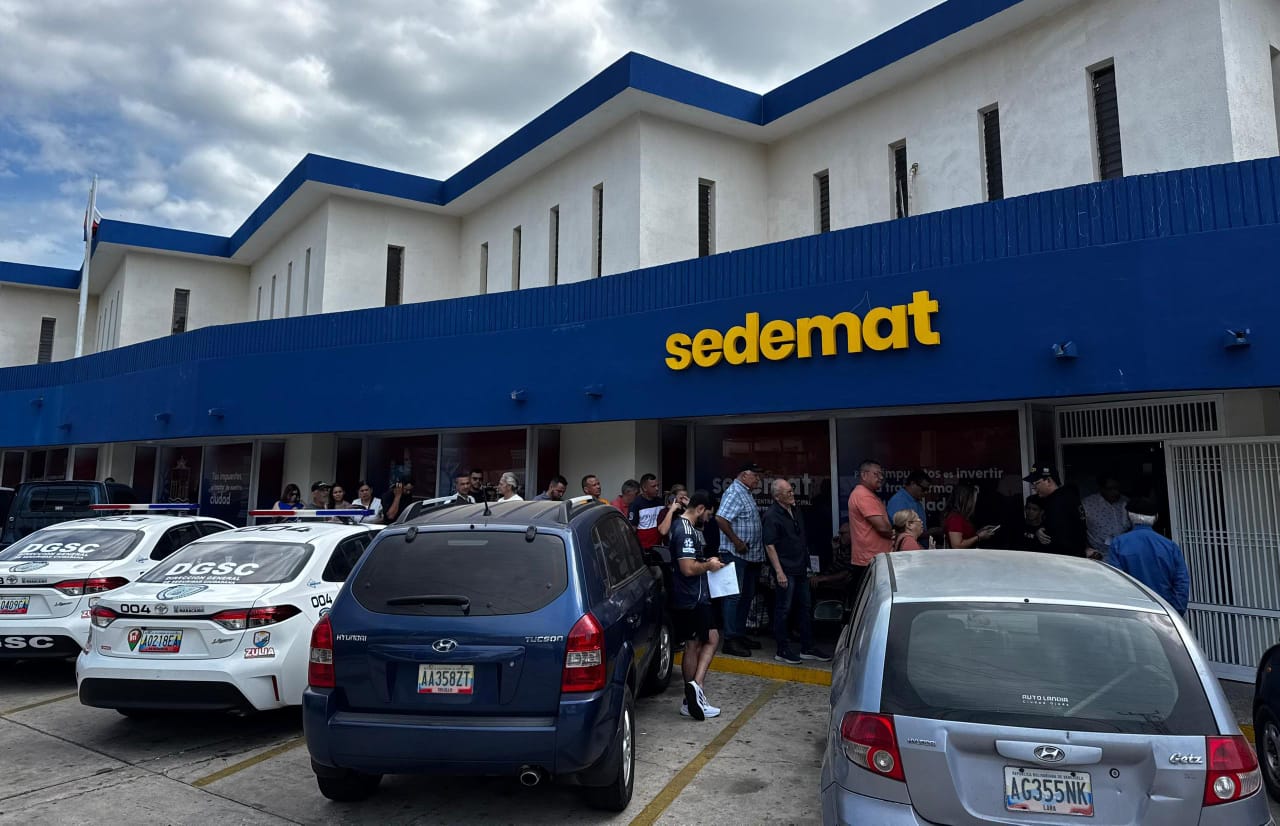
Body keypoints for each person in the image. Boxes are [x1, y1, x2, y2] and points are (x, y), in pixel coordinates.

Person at [668, 490, 726, 721]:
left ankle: (695, 689)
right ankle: (693, 692)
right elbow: (687, 568)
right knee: (694, 644)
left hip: (697, 596)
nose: (708, 519)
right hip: (690, 598)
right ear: (700, 508)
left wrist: (706, 562)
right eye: (708, 514)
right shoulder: (685, 531)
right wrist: (709, 566)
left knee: (710, 637)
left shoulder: (688, 528)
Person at [763, 479, 830, 664]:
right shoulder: (771, 515)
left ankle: (808, 647)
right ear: (778, 496)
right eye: (788, 492)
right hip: (786, 568)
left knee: (805, 607)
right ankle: (782, 649)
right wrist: (779, 572)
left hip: (801, 567)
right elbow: (769, 545)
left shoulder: (796, 510)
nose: (792, 494)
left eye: (792, 490)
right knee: (783, 609)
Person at [1106, 497, 1190, 614]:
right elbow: (1181, 582)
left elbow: (1115, 580)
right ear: (1156, 517)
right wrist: (1176, 611)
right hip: (1164, 609)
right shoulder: (1169, 546)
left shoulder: (1118, 543)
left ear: (1129, 516)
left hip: (1132, 610)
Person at [715, 462, 764, 658]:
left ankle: (739, 633)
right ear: (744, 475)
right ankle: (730, 639)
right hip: (734, 553)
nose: (758, 479)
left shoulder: (746, 492)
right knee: (733, 596)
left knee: (746, 596)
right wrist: (736, 541)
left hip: (749, 556)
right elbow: (721, 518)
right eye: (755, 476)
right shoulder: (735, 492)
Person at [847, 460, 893, 595]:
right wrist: (897, 534)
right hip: (869, 560)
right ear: (864, 475)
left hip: (873, 558)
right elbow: (883, 528)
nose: (881, 477)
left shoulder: (868, 494)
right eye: (876, 474)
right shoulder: (863, 495)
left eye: (881, 474)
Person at [1024, 464, 1088, 556]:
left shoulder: (1057, 501)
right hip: (1072, 555)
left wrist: (1039, 533)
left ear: (1048, 481)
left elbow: (1056, 537)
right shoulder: (1067, 495)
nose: (1034, 488)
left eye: (1036, 483)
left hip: (1064, 558)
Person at [1083, 474, 1130, 555]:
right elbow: (1079, 529)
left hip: (1124, 552)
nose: (1115, 492)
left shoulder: (1126, 502)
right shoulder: (1087, 504)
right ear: (1101, 489)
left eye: (1117, 488)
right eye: (1110, 489)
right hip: (1100, 554)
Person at [942, 484, 997, 549]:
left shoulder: (962, 517)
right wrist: (978, 537)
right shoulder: (955, 518)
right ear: (966, 500)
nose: (974, 502)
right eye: (973, 499)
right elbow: (957, 546)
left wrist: (980, 532)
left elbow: (965, 536)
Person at [629, 474, 665, 554]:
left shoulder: (660, 502)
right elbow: (632, 529)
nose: (657, 489)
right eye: (653, 486)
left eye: (657, 486)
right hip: (643, 549)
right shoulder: (636, 504)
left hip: (658, 547)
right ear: (644, 488)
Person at [886, 470, 930, 535]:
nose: (926, 492)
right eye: (923, 489)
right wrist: (929, 533)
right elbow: (902, 531)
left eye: (927, 490)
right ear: (912, 484)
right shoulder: (899, 501)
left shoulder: (916, 500)